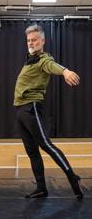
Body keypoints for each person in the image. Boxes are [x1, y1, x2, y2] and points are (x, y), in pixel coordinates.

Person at [14, 24, 83, 199]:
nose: (31, 43)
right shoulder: (31, 61)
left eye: (34, 40)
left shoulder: (43, 59)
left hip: (31, 107)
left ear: (42, 41)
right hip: (21, 109)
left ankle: (72, 177)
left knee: (46, 145)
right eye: (29, 40)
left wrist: (65, 71)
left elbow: (51, 65)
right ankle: (41, 187)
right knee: (32, 151)